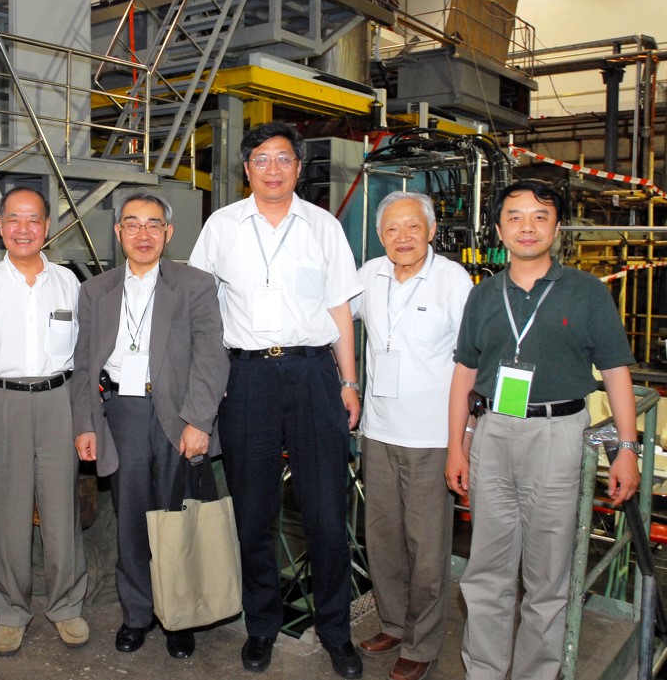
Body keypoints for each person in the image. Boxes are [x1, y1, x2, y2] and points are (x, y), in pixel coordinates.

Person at [189, 122, 364, 678]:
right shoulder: (221, 226)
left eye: (283, 158)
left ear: (298, 167)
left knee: (326, 512)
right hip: (246, 379)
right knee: (253, 512)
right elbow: (202, 310)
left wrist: (349, 381)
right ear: (246, 169)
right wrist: (209, 381)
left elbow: (339, 309)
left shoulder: (323, 227)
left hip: (313, 373)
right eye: (261, 159)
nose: (272, 169)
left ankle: (336, 631)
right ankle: (261, 625)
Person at [445, 180, 640, 679]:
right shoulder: (484, 294)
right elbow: (465, 373)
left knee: (548, 575)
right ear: (498, 229)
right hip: (493, 432)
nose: (526, 227)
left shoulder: (587, 292)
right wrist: (457, 447)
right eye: (514, 216)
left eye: (540, 216)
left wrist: (627, 448)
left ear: (557, 227)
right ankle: (484, 671)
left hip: (559, 435)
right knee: (487, 570)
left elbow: (616, 371)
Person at [71, 189, 228, 660]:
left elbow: (211, 356)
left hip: (177, 414)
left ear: (168, 232)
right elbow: (83, 366)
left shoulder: (195, 284)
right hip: (122, 413)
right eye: (133, 224)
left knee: (177, 519)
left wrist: (198, 420)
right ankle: (137, 614)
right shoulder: (95, 291)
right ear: (118, 231)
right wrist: (86, 424)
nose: (144, 234)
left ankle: (179, 615)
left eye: (153, 224)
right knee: (132, 520)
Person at [351, 191, 472, 680]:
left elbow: (472, 360)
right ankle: (393, 623)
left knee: (427, 548)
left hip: (432, 437)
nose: (403, 237)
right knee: (382, 539)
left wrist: (463, 437)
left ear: (431, 230)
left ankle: (421, 644)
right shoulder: (369, 275)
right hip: (378, 431)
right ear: (380, 235)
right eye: (392, 229)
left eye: (413, 226)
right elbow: (332, 316)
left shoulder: (453, 281)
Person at [0, 186, 89, 656]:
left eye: (33, 219)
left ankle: (66, 605)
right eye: (14, 219)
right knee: (5, 512)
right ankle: (11, 610)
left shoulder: (68, 283)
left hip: (59, 400)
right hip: (1, 401)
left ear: (47, 227)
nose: (24, 229)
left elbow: (83, 352)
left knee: (61, 509)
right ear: (0, 225)